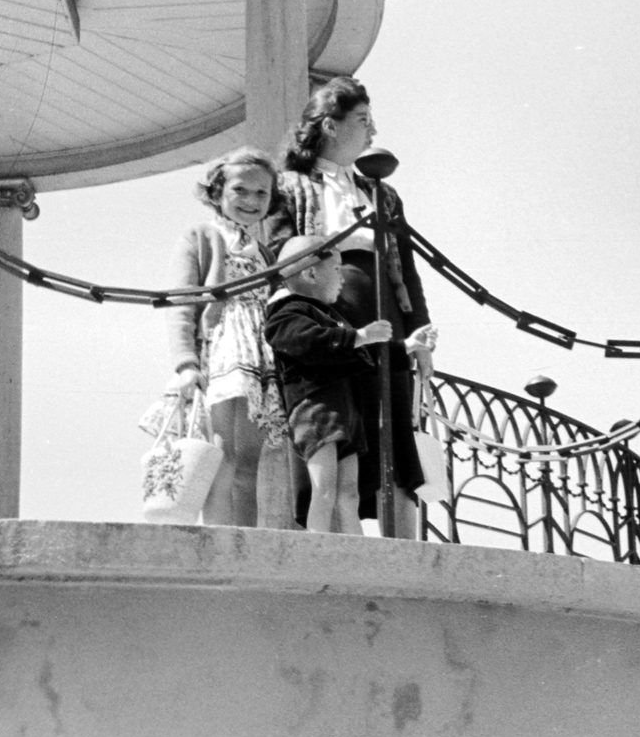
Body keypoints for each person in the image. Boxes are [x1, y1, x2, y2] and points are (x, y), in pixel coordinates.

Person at [277, 76, 438, 533]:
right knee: (338, 439)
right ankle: (335, 546)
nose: (373, 132)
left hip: (387, 325)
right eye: (363, 120)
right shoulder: (289, 187)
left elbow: (407, 270)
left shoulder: (382, 194)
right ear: (330, 125)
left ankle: (403, 548)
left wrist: (419, 332)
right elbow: (279, 261)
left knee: (395, 437)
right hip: (331, 326)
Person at [167, 147, 290, 527]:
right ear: (218, 191)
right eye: (240, 190)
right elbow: (182, 303)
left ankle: (245, 539)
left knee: (251, 457)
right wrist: (186, 363)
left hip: (258, 357)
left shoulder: (265, 253)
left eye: (261, 194)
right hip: (221, 353)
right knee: (220, 453)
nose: (251, 201)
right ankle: (219, 537)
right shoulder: (202, 236)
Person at [263, 236, 394, 534]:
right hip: (317, 410)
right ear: (310, 273)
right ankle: (318, 551)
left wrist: (404, 346)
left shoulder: (329, 316)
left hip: (344, 414)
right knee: (324, 488)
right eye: (336, 270)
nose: (342, 279)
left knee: (349, 493)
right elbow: (307, 341)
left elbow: (355, 353)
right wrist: (358, 337)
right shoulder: (288, 311)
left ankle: (356, 555)